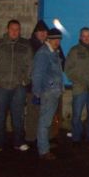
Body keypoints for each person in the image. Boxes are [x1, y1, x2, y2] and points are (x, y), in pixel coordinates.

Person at [0, 19, 33, 155]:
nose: (15, 32)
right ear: (7, 29)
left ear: (20, 31)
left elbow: (30, 64)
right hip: (1, 87)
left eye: (17, 29)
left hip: (18, 87)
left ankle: (19, 142)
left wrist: (26, 80)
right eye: (12, 29)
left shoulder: (25, 46)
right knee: (0, 116)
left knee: (18, 116)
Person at [32, 28, 65, 160]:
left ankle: (44, 144)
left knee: (47, 120)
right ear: (48, 40)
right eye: (54, 39)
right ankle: (43, 150)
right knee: (45, 121)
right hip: (48, 92)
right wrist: (37, 93)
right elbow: (37, 74)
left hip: (53, 91)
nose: (57, 41)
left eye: (59, 39)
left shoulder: (53, 52)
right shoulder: (43, 54)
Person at [25, 20, 49, 143]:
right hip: (32, 85)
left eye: (44, 31)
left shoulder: (51, 45)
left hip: (48, 87)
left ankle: (43, 138)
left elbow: (61, 62)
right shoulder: (28, 46)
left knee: (46, 113)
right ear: (35, 33)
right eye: (40, 31)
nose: (42, 34)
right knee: (33, 113)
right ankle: (30, 137)